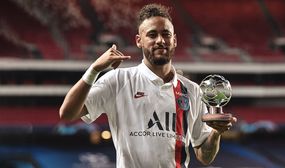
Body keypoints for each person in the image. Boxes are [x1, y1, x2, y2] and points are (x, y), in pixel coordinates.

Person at [59, 3, 237, 168]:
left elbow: (204, 156)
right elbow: (67, 113)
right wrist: (94, 69)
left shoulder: (192, 90)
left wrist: (216, 133)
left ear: (174, 40)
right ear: (139, 40)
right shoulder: (119, 80)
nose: (160, 40)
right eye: (152, 34)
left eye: (166, 34)